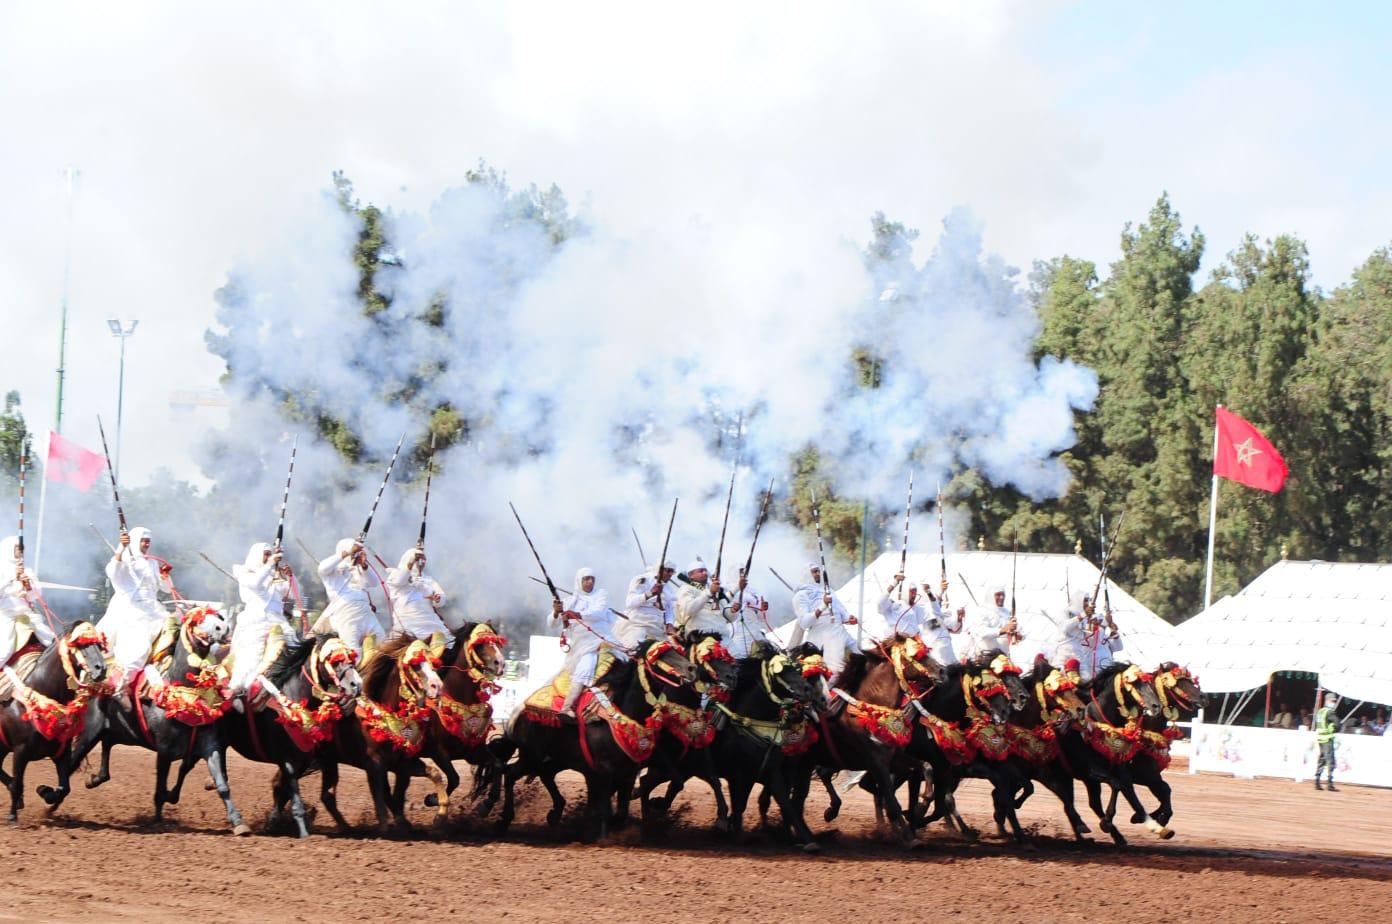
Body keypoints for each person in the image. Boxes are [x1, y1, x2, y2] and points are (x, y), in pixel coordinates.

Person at [95, 526, 172, 708]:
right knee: (140, 647)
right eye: (143, 540)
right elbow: (112, 571)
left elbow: (166, 589)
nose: (146, 544)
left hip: (154, 608)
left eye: (148, 541)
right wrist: (122, 548)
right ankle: (121, 686)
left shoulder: (152, 563)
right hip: (133, 610)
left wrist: (165, 576)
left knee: (176, 632)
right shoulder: (126, 559)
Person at [228, 542, 295, 697]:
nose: (269, 557)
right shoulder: (245, 574)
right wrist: (271, 564)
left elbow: (291, 593)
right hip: (256, 622)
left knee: (295, 650)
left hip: (279, 622)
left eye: (270, 554)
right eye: (266, 554)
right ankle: (239, 692)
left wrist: (290, 577)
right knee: (252, 658)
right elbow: (256, 584)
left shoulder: (273, 576)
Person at [553, 567, 621, 716]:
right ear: (579, 581)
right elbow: (552, 623)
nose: (590, 582)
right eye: (586, 579)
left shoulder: (601, 594)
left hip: (603, 638)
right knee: (586, 666)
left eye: (592, 579)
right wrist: (557, 612)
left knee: (626, 658)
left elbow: (598, 612)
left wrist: (576, 614)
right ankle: (567, 707)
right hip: (583, 645)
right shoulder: (570, 601)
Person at [317, 538, 383, 661]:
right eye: (354, 551)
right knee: (353, 653)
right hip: (346, 614)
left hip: (366, 612)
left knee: (382, 642)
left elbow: (374, 583)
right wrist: (347, 553)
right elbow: (322, 568)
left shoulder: (359, 569)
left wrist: (364, 565)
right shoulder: (333, 570)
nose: (356, 554)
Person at [0, 535, 56, 675]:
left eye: (22, 549)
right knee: (4, 651)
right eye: (17, 548)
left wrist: (28, 585)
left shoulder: (27, 570)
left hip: (28, 615)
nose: (21, 552)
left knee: (52, 643)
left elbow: (36, 594)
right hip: (6, 615)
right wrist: (12, 577)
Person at [386, 546, 455, 654]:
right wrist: (411, 562)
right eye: (418, 560)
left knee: (451, 645)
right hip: (408, 622)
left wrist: (438, 598)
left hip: (430, 621)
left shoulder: (428, 579)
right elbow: (400, 580)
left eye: (423, 560)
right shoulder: (395, 575)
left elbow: (441, 598)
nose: (421, 563)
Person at [792, 563, 857, 676]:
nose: (818, 574)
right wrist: (822, 606)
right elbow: (804, 623)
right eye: (814, 571)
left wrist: (848, 618)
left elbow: (841, 612)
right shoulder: (800, 596)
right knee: (836, 672)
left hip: (841, 632)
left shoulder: (829, 590)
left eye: (818, 571)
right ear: (807, 574)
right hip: (822, 638)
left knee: (861, 657)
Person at [617, 560, 676, 649]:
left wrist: (670, 623)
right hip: (639, 625)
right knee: (635, 650)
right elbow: (630, 602)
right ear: (659, 569)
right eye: (668, 570)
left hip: (658, 629)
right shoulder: (643, 579)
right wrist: (650, 593)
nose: (670, 574)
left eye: (672, 572)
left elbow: (669, 608)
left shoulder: (668, 588)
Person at [961, 585, 1022, 664]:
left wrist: (1018, 635)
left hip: (1004, 658)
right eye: (998, 595)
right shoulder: (981, 611)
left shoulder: (1008, 613)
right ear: (991, 596)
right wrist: (1004, 630)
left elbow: (1021, 632)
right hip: (986, 657)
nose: (1002, 597)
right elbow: (982, 632)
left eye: (1003, 595)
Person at [675, 559, 730, 637]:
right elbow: (689, 610)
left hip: (723, 636)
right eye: (701, 571)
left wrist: (734, 610)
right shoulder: (686, 588)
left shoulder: (714, 591)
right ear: (691, 575)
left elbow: (728, 617)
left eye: (705, 571)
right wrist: (709, 593)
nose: (705, 573)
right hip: (699, 636)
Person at [725, 568, 772, 659]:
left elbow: (761, 618)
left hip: (756, 632)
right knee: (741, 662)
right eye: (741, 573)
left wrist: (763, 609)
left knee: (768, 658)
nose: (744, 576)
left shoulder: (753, 591)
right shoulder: (727, 591)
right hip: (738, 635)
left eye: (745, 573)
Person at [1314, 692, 1341, 791]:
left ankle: (1317, 781)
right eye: (1333, 701)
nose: (1334, 703)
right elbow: (1338, 724)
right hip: (1327, 739)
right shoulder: (1330, 712)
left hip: (1320, 738)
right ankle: (1329, 784)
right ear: (1328, 700)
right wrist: (1334, 728)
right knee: (1330, 761)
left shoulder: (1320, 711)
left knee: (1321, 760)